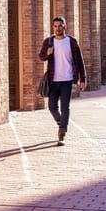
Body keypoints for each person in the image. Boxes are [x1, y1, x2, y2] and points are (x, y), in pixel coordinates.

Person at [38, 16, 87, 146]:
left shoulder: (72, 42)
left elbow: (79, 61)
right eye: (55, 26)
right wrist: (48, 53)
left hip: (67, 79)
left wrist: (83, 78)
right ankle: (62, 122)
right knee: (52, 106)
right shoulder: (48, 41)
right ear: (53, 27)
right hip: (53, 80)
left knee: (65, 106)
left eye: (60, 26)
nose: (57, 28)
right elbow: (41, 57)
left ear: (65, 26)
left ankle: (62, 133)